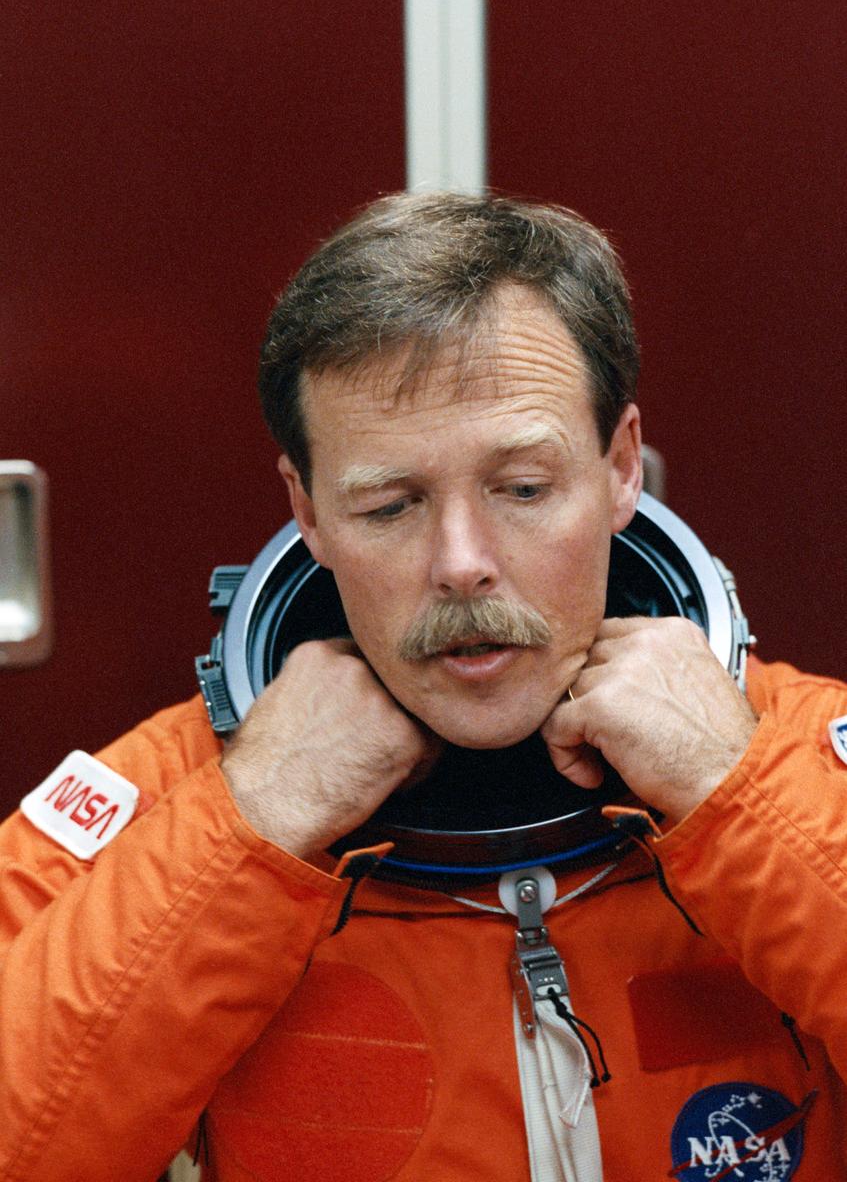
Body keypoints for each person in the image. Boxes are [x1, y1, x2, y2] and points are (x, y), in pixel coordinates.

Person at [2, 192, 846, 1182]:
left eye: (522, 488)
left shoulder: (793, 752)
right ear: (307, 511)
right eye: (390, 503)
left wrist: (736, 792)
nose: (462, 562)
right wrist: (251, 828)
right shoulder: (174, 806)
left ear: (621, 467)